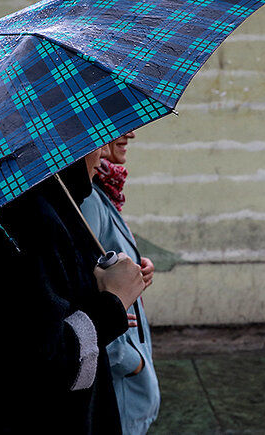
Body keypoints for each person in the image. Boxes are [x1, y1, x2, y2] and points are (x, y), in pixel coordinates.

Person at [0, 157, 147, 434]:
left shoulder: (26, 206)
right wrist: (113, 301)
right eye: (95, 141)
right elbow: (45, 361)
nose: (104, 151)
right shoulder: (23, 221)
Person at [81, 132, 160, 435]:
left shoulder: (101, 192)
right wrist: (132, 361)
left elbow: (107, 270)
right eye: (118, 125)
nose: (131, 132)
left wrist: (137, 271)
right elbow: (88, 297)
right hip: (120, 389)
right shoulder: (87, 198)